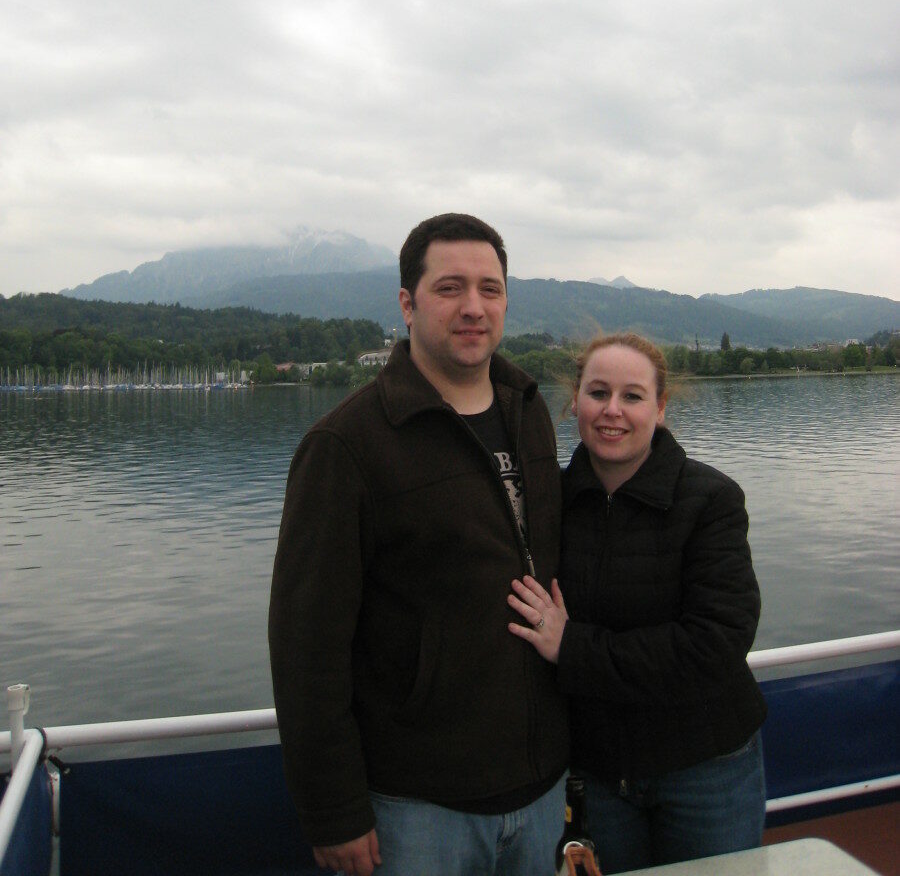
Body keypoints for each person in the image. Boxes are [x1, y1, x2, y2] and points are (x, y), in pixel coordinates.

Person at [269, 213, 568, 876]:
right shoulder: (345, 446)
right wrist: (334, 812)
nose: (473, 307)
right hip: (417, 805)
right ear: (407, 304)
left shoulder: (529, 409)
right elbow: (306, 650)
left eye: (489, 289)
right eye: (449, 288)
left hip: (542, 785)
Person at [508, 332, 767, 874]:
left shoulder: (711, 501)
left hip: (705, 769)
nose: (612, 412)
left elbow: (716, 642)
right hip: (599, 777)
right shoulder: (547, 507)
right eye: (598, 393)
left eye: (632, 396)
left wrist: (572, 647)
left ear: (660, 407)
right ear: (574, 400)